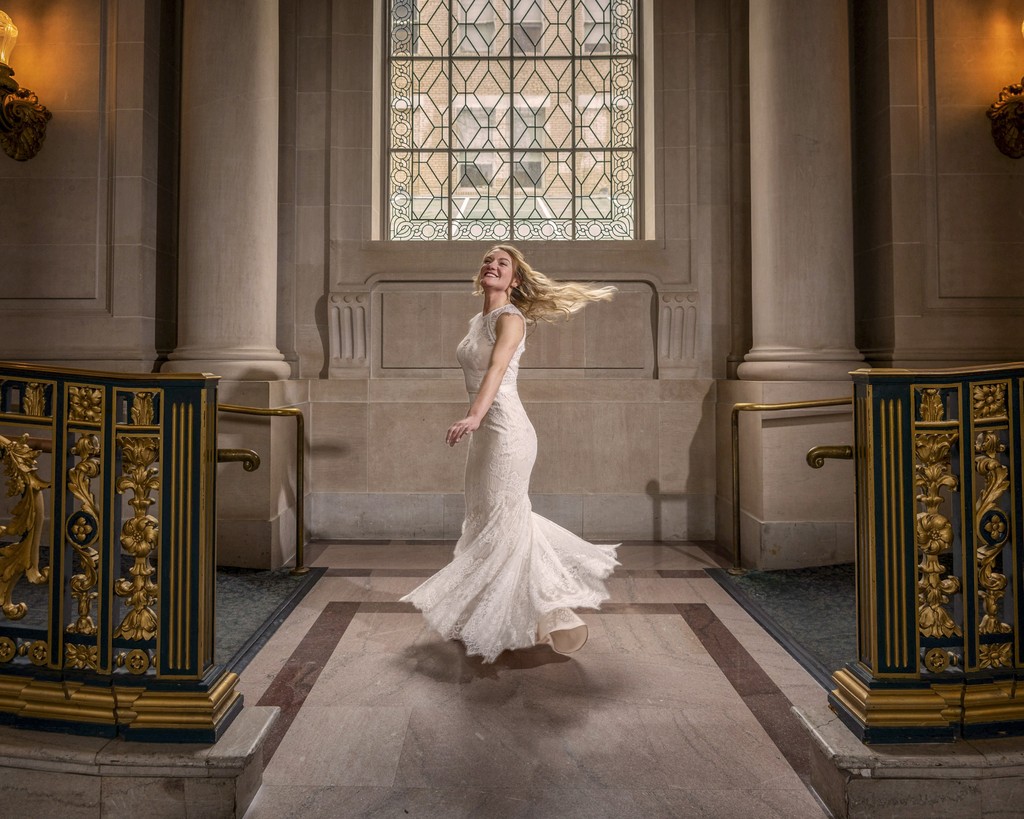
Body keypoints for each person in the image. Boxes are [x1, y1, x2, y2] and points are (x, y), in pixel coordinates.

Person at [401, 245, 620, 663]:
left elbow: (497, 369)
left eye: (503, 264)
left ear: (515, 281)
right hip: (485, 434)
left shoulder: (511, 319)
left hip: (505, 431)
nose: (492, 266)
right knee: (485, 521)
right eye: (488, 260)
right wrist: (476, 422)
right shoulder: (478, 321)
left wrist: (473, 416)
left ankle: (551, 616)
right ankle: (495, 616)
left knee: (505, 522)